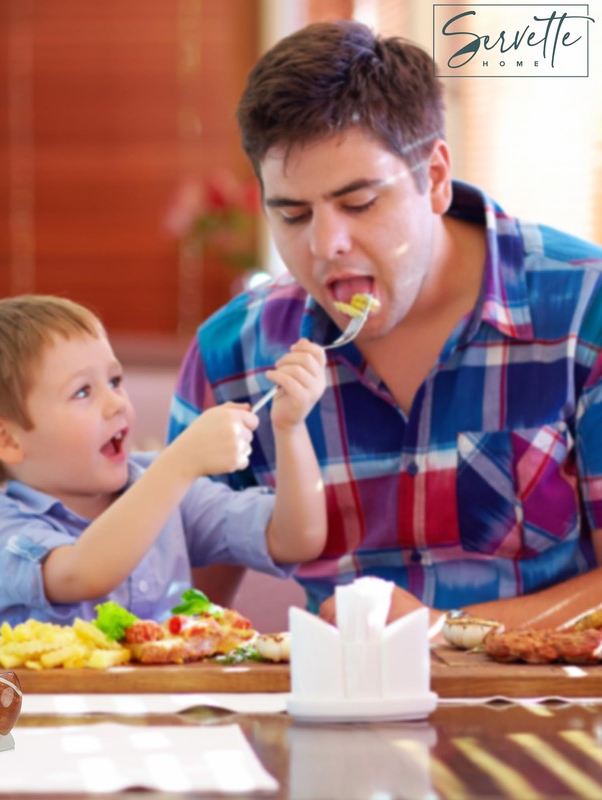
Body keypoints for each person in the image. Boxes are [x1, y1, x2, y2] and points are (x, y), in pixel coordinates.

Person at [168, 20, 602, 633]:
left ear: (434, 178)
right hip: (327, 715)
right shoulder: (233, 355)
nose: (325, 246)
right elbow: (177, 602)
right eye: (292, 214)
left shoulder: (585, 305)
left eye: (359, 203)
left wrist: (442, 629)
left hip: (550, 716)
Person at [0, 294, 327, 632]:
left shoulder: (161, 485)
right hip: (54, 723)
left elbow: (296, 539)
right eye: (82, 393)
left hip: (172, 715)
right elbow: (82, 573)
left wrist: (290, 429)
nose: (116, 403)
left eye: (114, 381)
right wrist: (179, 463)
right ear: (6, 439)